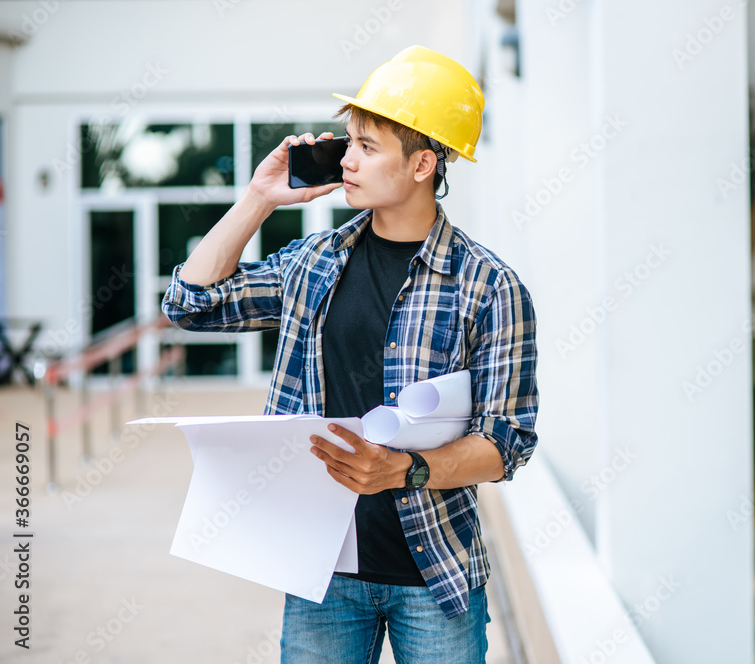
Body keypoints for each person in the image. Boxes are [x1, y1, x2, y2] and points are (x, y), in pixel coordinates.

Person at [161, 45, 539, 663]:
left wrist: (406, 470)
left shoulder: (491, 288)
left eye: (367, 145)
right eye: (348, 140)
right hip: (322, 574)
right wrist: (258, 197)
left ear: (422, 164)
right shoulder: (313, 264)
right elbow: (191, 304)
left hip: (434, 574)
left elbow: (508, 443)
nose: (345, 158)